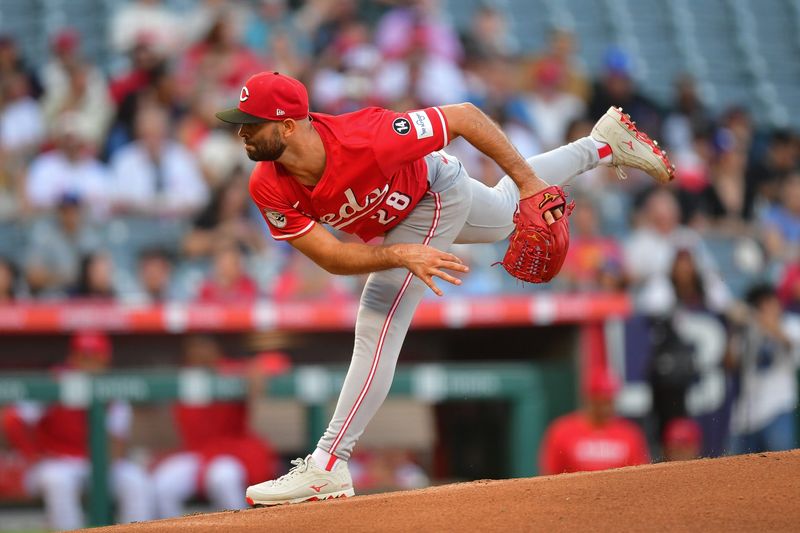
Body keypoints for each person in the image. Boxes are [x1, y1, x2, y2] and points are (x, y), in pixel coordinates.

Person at [214, 71, 672, 505]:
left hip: (434, 190)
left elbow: (465, 116)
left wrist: (532, 184)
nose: (242, 132)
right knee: (504, 215)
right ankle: (603, 144)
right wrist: (399, 253)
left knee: (378, 318)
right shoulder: (267, 185)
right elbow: (331, 257)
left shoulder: (367, 136)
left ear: (288, 126)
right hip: (402, 219)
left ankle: (329, 463)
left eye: (252, 124)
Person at [0, 331, 153, 530]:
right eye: (83, 356)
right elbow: (13, 420)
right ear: (72, 357)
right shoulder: (56, 382)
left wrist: (101, 474)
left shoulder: (113, 389)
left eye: (94, 357)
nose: (88, 363)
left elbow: (118, 442)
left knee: (135, 479)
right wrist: (31, 455)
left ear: (105, 360)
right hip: (57, 463)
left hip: (97, 464)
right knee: (58, 480)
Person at [151, 334, 278, 517]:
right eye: (195, 351)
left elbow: (275, 363)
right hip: (196, 454)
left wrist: (256, 368)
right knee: (162, 484)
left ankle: (242, 526)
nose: (201, 355)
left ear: (216, 351)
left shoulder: (230, 371)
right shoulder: (184, 377)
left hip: (229, 452)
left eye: (205, 349)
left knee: (223, 477)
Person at [728, 284, 798, 454]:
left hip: (778, 409)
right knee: (740, 468)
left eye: (769, 302)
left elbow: (788, 341)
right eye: (760, 304)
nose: (766, 308)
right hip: (747, 414)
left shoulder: (792, 323)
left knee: (781, 465)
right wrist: (733, 329)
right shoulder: (748, 330)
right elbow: (731, 363)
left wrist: (754, 317)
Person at [539, 371, 650, 475]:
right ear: (589, 399)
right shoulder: (562, 431)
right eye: (599, 402)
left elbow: (639, 475)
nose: (604, 408)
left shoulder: (629, 434)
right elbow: (550, 475)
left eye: (608, 401)